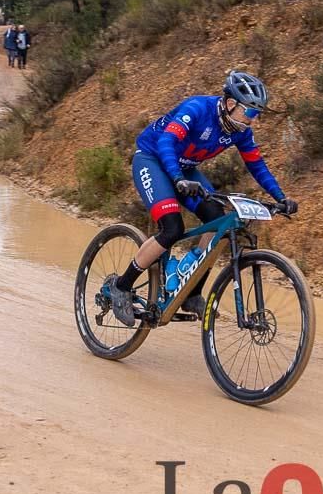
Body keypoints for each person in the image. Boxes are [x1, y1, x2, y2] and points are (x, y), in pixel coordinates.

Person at [104, 70, 298, 326]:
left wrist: (281, 198)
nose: (254, 119)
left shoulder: (240, 131)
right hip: (152, 160)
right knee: (172, 228)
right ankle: (121, 285)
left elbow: (257, 166)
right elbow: (166, 142)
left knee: (218, 219)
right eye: (250, 112)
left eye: (258, 113)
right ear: (230, 104)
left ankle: (192, 291)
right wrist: (177, 178)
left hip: (185, 168)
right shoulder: (196, 108)